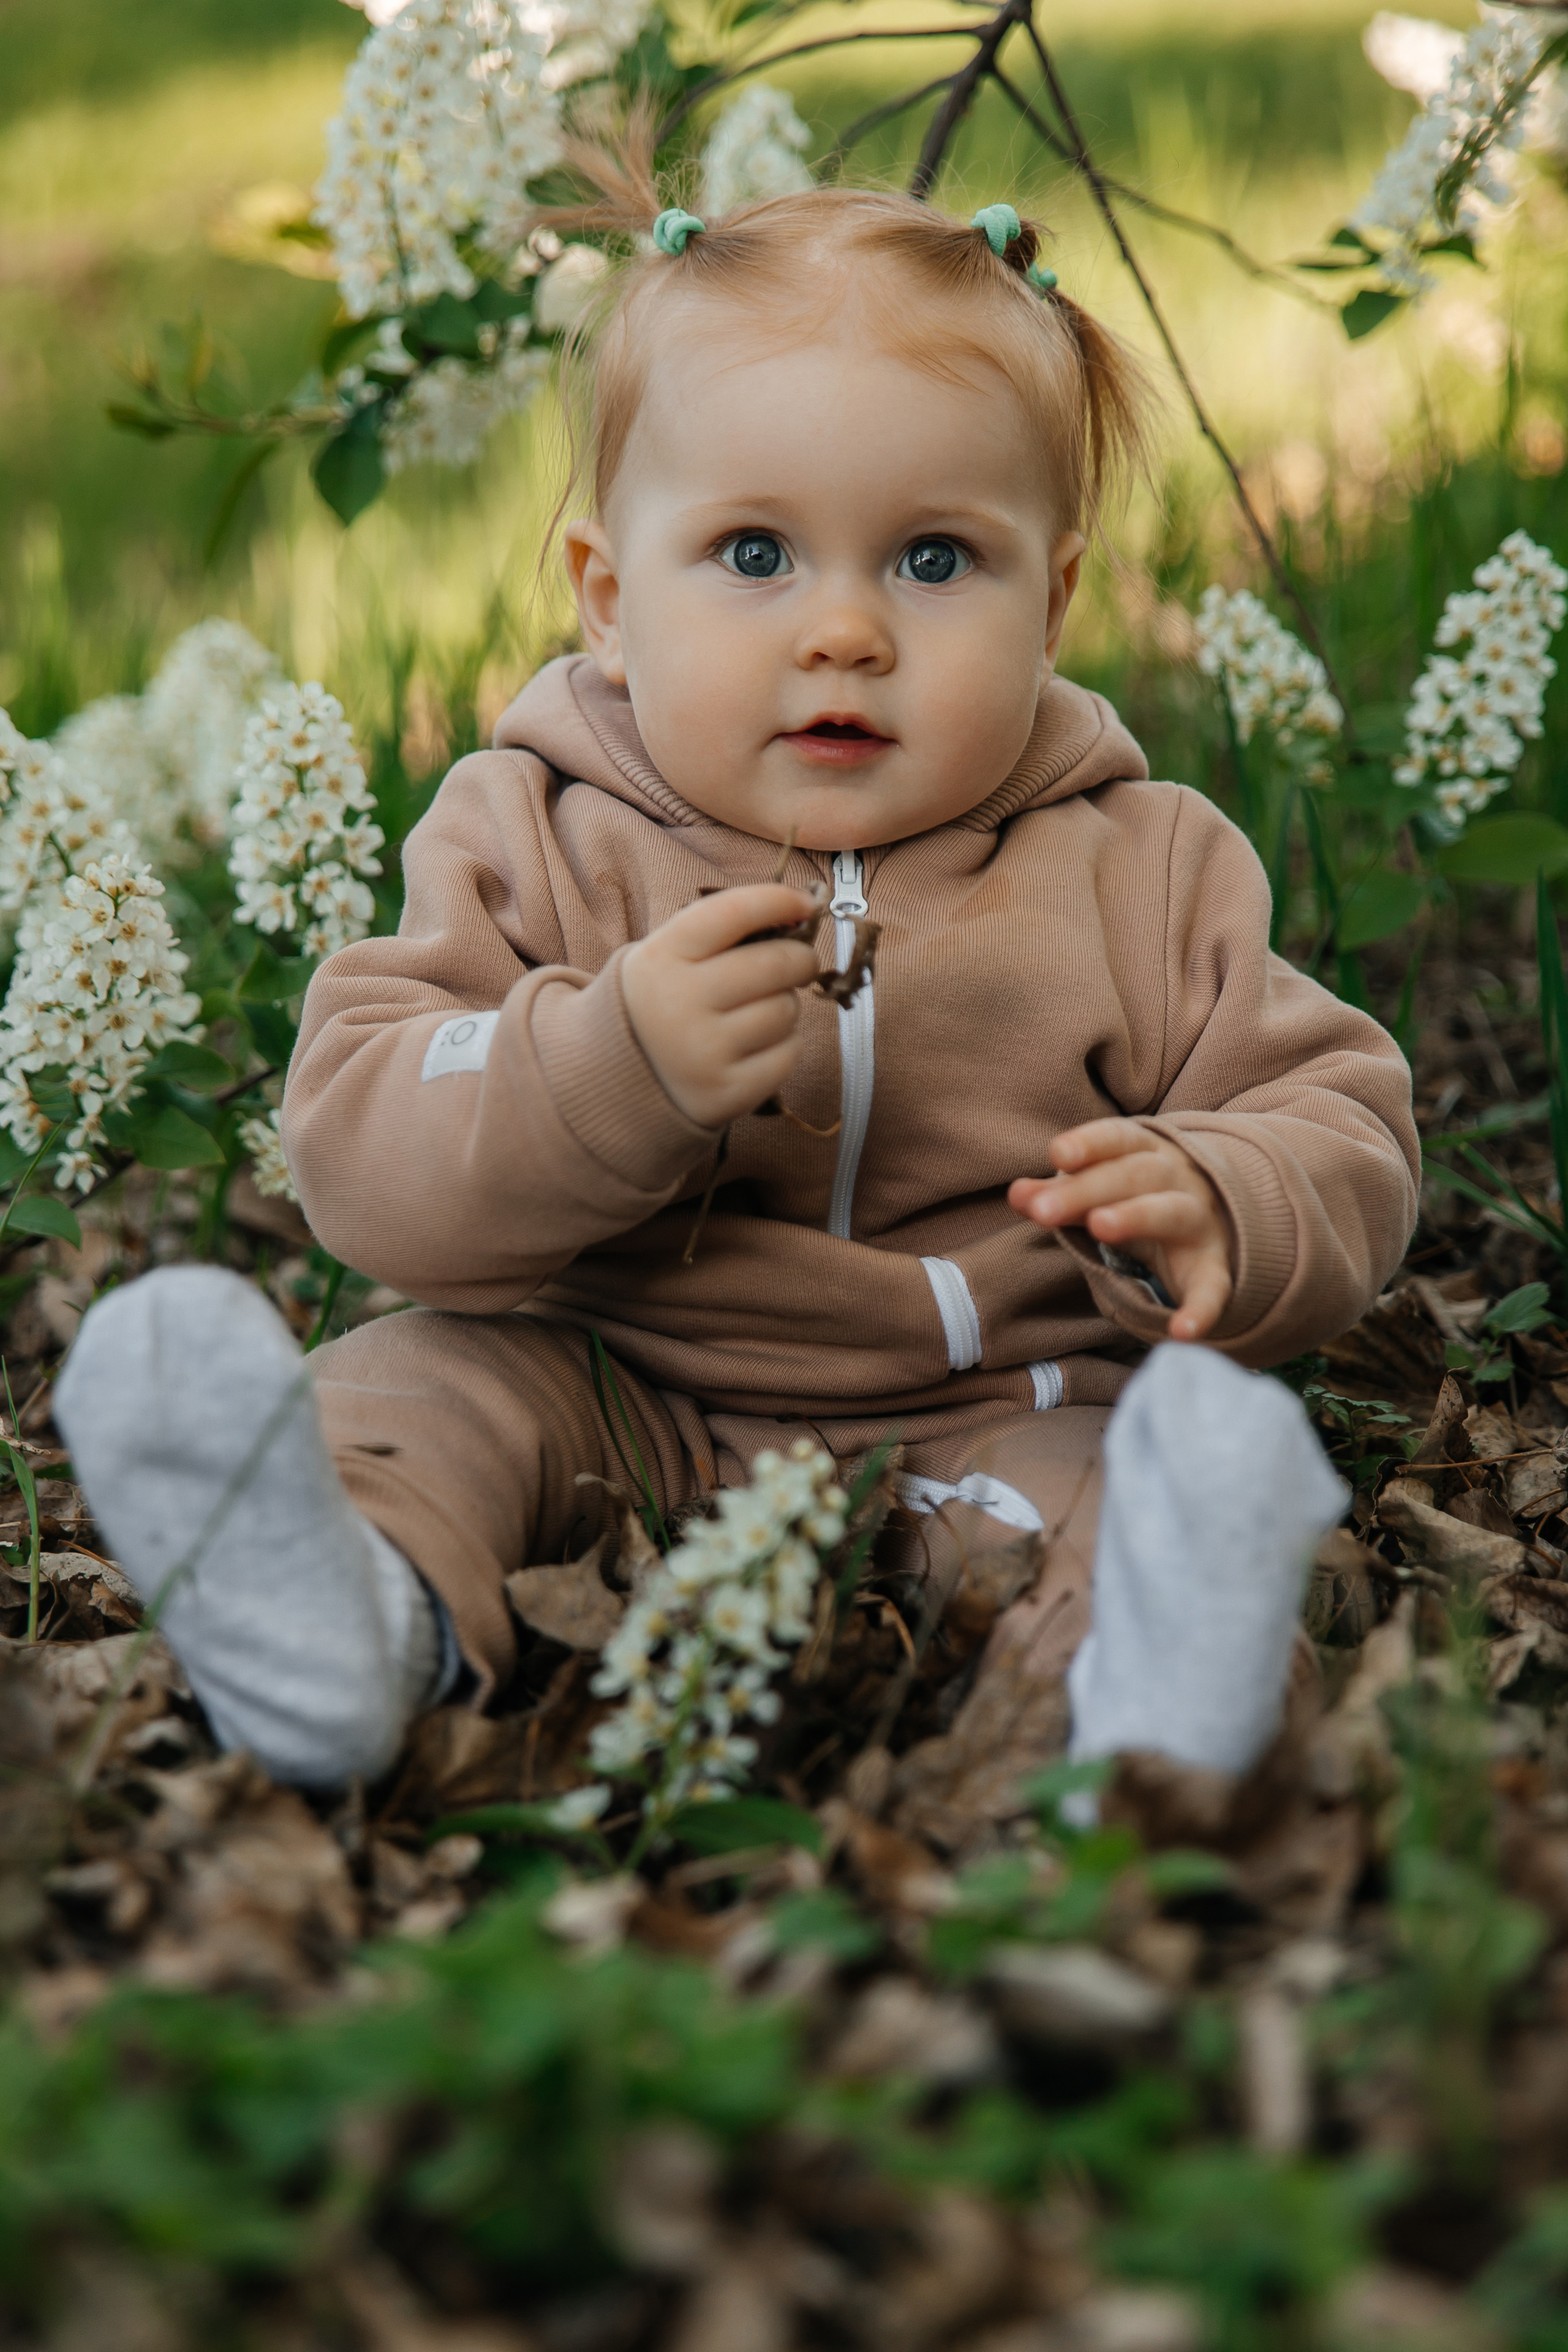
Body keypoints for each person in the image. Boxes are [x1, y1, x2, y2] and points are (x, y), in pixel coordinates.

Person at [58, 178, 1417, 1796]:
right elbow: (363, 1138)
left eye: (933, 558)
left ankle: (1151, 1701)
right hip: (605, 1371)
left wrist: (1224, 1195)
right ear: (612, 602)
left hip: (990, 1400)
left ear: (1053, 607)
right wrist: (603, 1063)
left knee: (1137, 1482)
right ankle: (345, 1618)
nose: (843, 629)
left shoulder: (1144, 868)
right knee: (415, 1395)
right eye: (756, 552)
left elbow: (1338, 1116)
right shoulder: (531, 835)